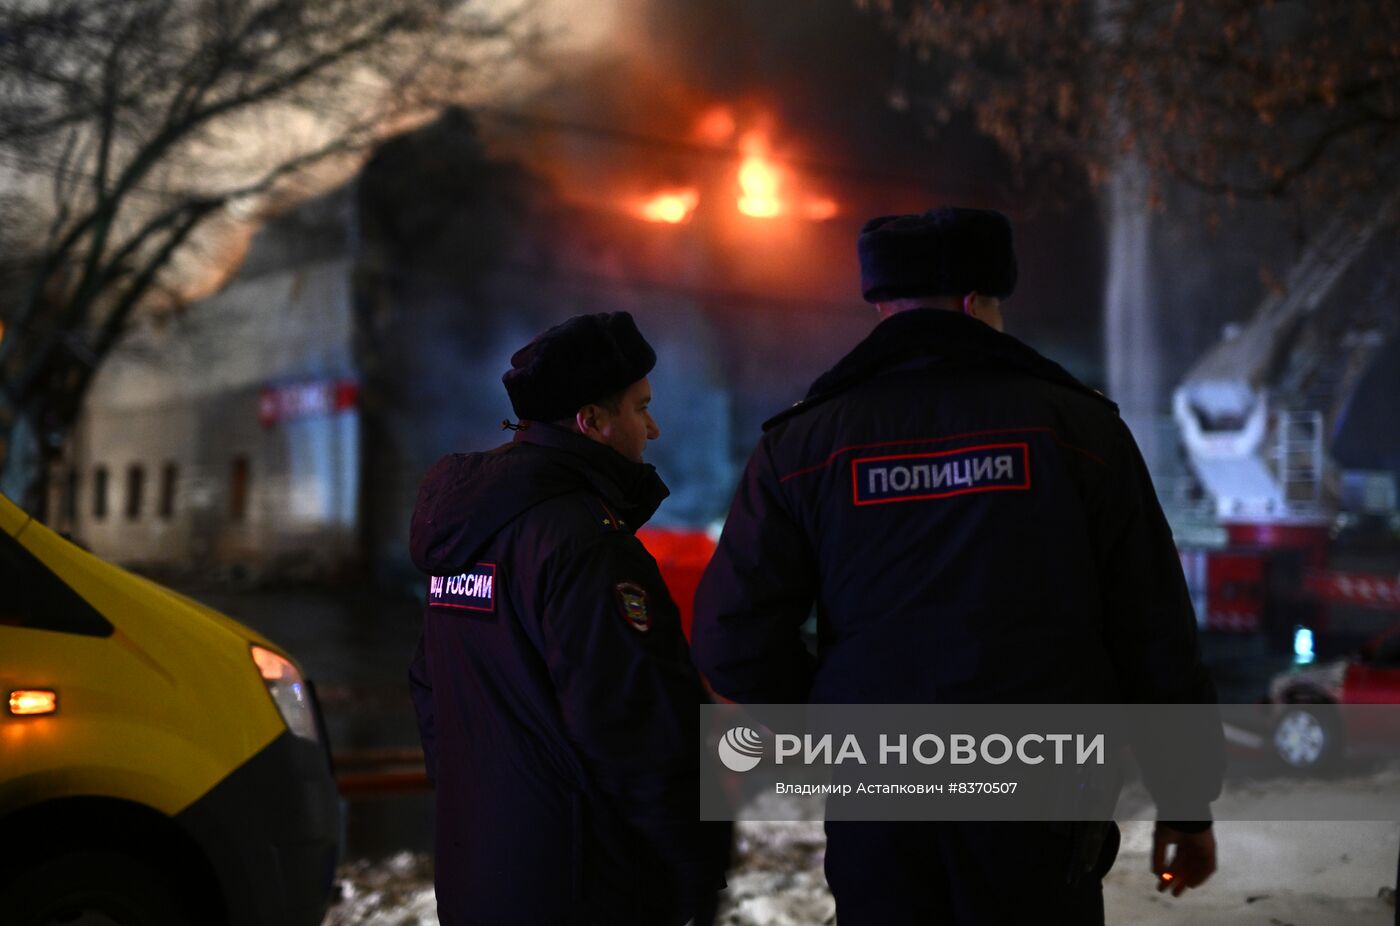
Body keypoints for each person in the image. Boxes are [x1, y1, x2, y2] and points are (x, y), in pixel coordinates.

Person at [691, 208, 1224, 924]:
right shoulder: (1081, 431)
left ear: (882, 306)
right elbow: (1154, 630)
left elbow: (731, 634)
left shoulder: (804, 444)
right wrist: (1186, 805)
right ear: (978, 304)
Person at [408, 311, 726, 926]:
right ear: (593, 422)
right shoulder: (586, 543)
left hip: (481, 873)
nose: (654, 427)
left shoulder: (468, 532)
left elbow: (432, 691)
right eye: (641, 408)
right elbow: (638, 725)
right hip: (583, 887)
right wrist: (694, 867)